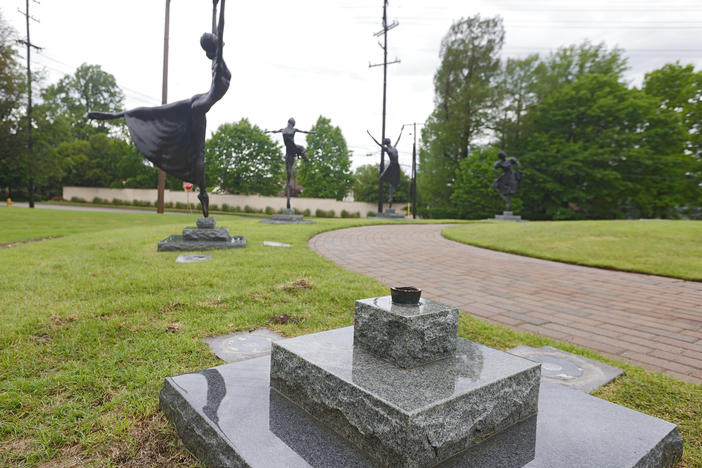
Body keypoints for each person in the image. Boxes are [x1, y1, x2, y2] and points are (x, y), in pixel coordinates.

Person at [88, 0, 229, 218]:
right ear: (215, 46)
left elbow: (217, 30)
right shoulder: (218, 62)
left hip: (201, 101)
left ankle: (116, 115)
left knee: (162, 111)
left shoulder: (216, 59)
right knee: (195, 151)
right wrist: (222, 5)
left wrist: (213, 6)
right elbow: (221, 26)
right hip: (202, 104)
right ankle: (203, 194)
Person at [267, 118, 315, 210]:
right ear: (292, 124)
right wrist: (269, 131)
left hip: (291, 150)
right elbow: (275, 131)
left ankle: (304, 158)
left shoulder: (284, 130)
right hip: (290, 152)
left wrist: (311, 132)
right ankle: (288, 198)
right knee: (289, 172)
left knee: (301, 148)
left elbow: (304, 131)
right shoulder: (292, 130)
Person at [367, 129, 403, 208]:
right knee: (390, 181)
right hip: (395, 165)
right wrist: (401, 131)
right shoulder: (394, 148)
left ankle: (391, 195)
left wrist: (370, 135)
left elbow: (378, 143)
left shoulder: (388, 149)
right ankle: (391, 195)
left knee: (382, 177)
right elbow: (398, 140)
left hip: (393, 166)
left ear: (386, 144)